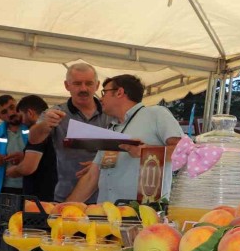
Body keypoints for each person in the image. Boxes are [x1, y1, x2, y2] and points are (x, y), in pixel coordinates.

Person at [67, 74, 183, 203]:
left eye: (104, 92)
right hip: (106, 211)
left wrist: (146, 152)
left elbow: (184, 151)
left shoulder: (156, 114)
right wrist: (63, 208)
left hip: (143, 212)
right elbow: (91, 177)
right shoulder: (111, 130)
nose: (100, 98)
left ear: (119, 92)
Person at [28, 63, 116, 202]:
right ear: (66, 85)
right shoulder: (56, 112)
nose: (83, 88)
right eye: (77, 83)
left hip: (106, 198)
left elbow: (128, 150)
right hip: (66, 196)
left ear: (97, 85)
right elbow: (33, 139)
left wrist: (99, 164)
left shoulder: (112, 113)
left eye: (89, 83)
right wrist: (45, 125)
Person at [6, 95, 57, 201]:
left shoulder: (38, 131)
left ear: (30, 113)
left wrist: (12, 171)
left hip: (40, 197)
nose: (22, 121)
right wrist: (24, 156)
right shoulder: (56, 129)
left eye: (22, 115)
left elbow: (28, 168)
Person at [0, 95, 28, 196]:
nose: (11, 113)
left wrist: (26, 157)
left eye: (12, 107)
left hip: (33, 185)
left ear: (18, 105)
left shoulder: (34, 126)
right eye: (4, 112)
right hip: (5, 188)